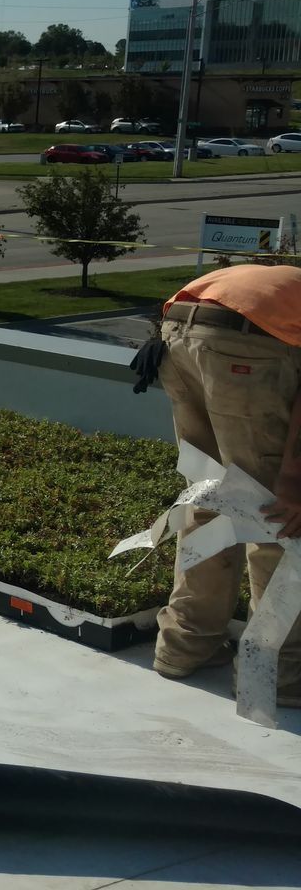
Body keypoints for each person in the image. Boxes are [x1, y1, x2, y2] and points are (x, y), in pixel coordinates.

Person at [152, 261, 301, 707]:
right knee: (273, 517)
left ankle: (184, 644)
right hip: (245, 346)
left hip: (178, 333)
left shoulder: (287, 282)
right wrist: (292, 483)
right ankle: (276, 673)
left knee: (211, 494)